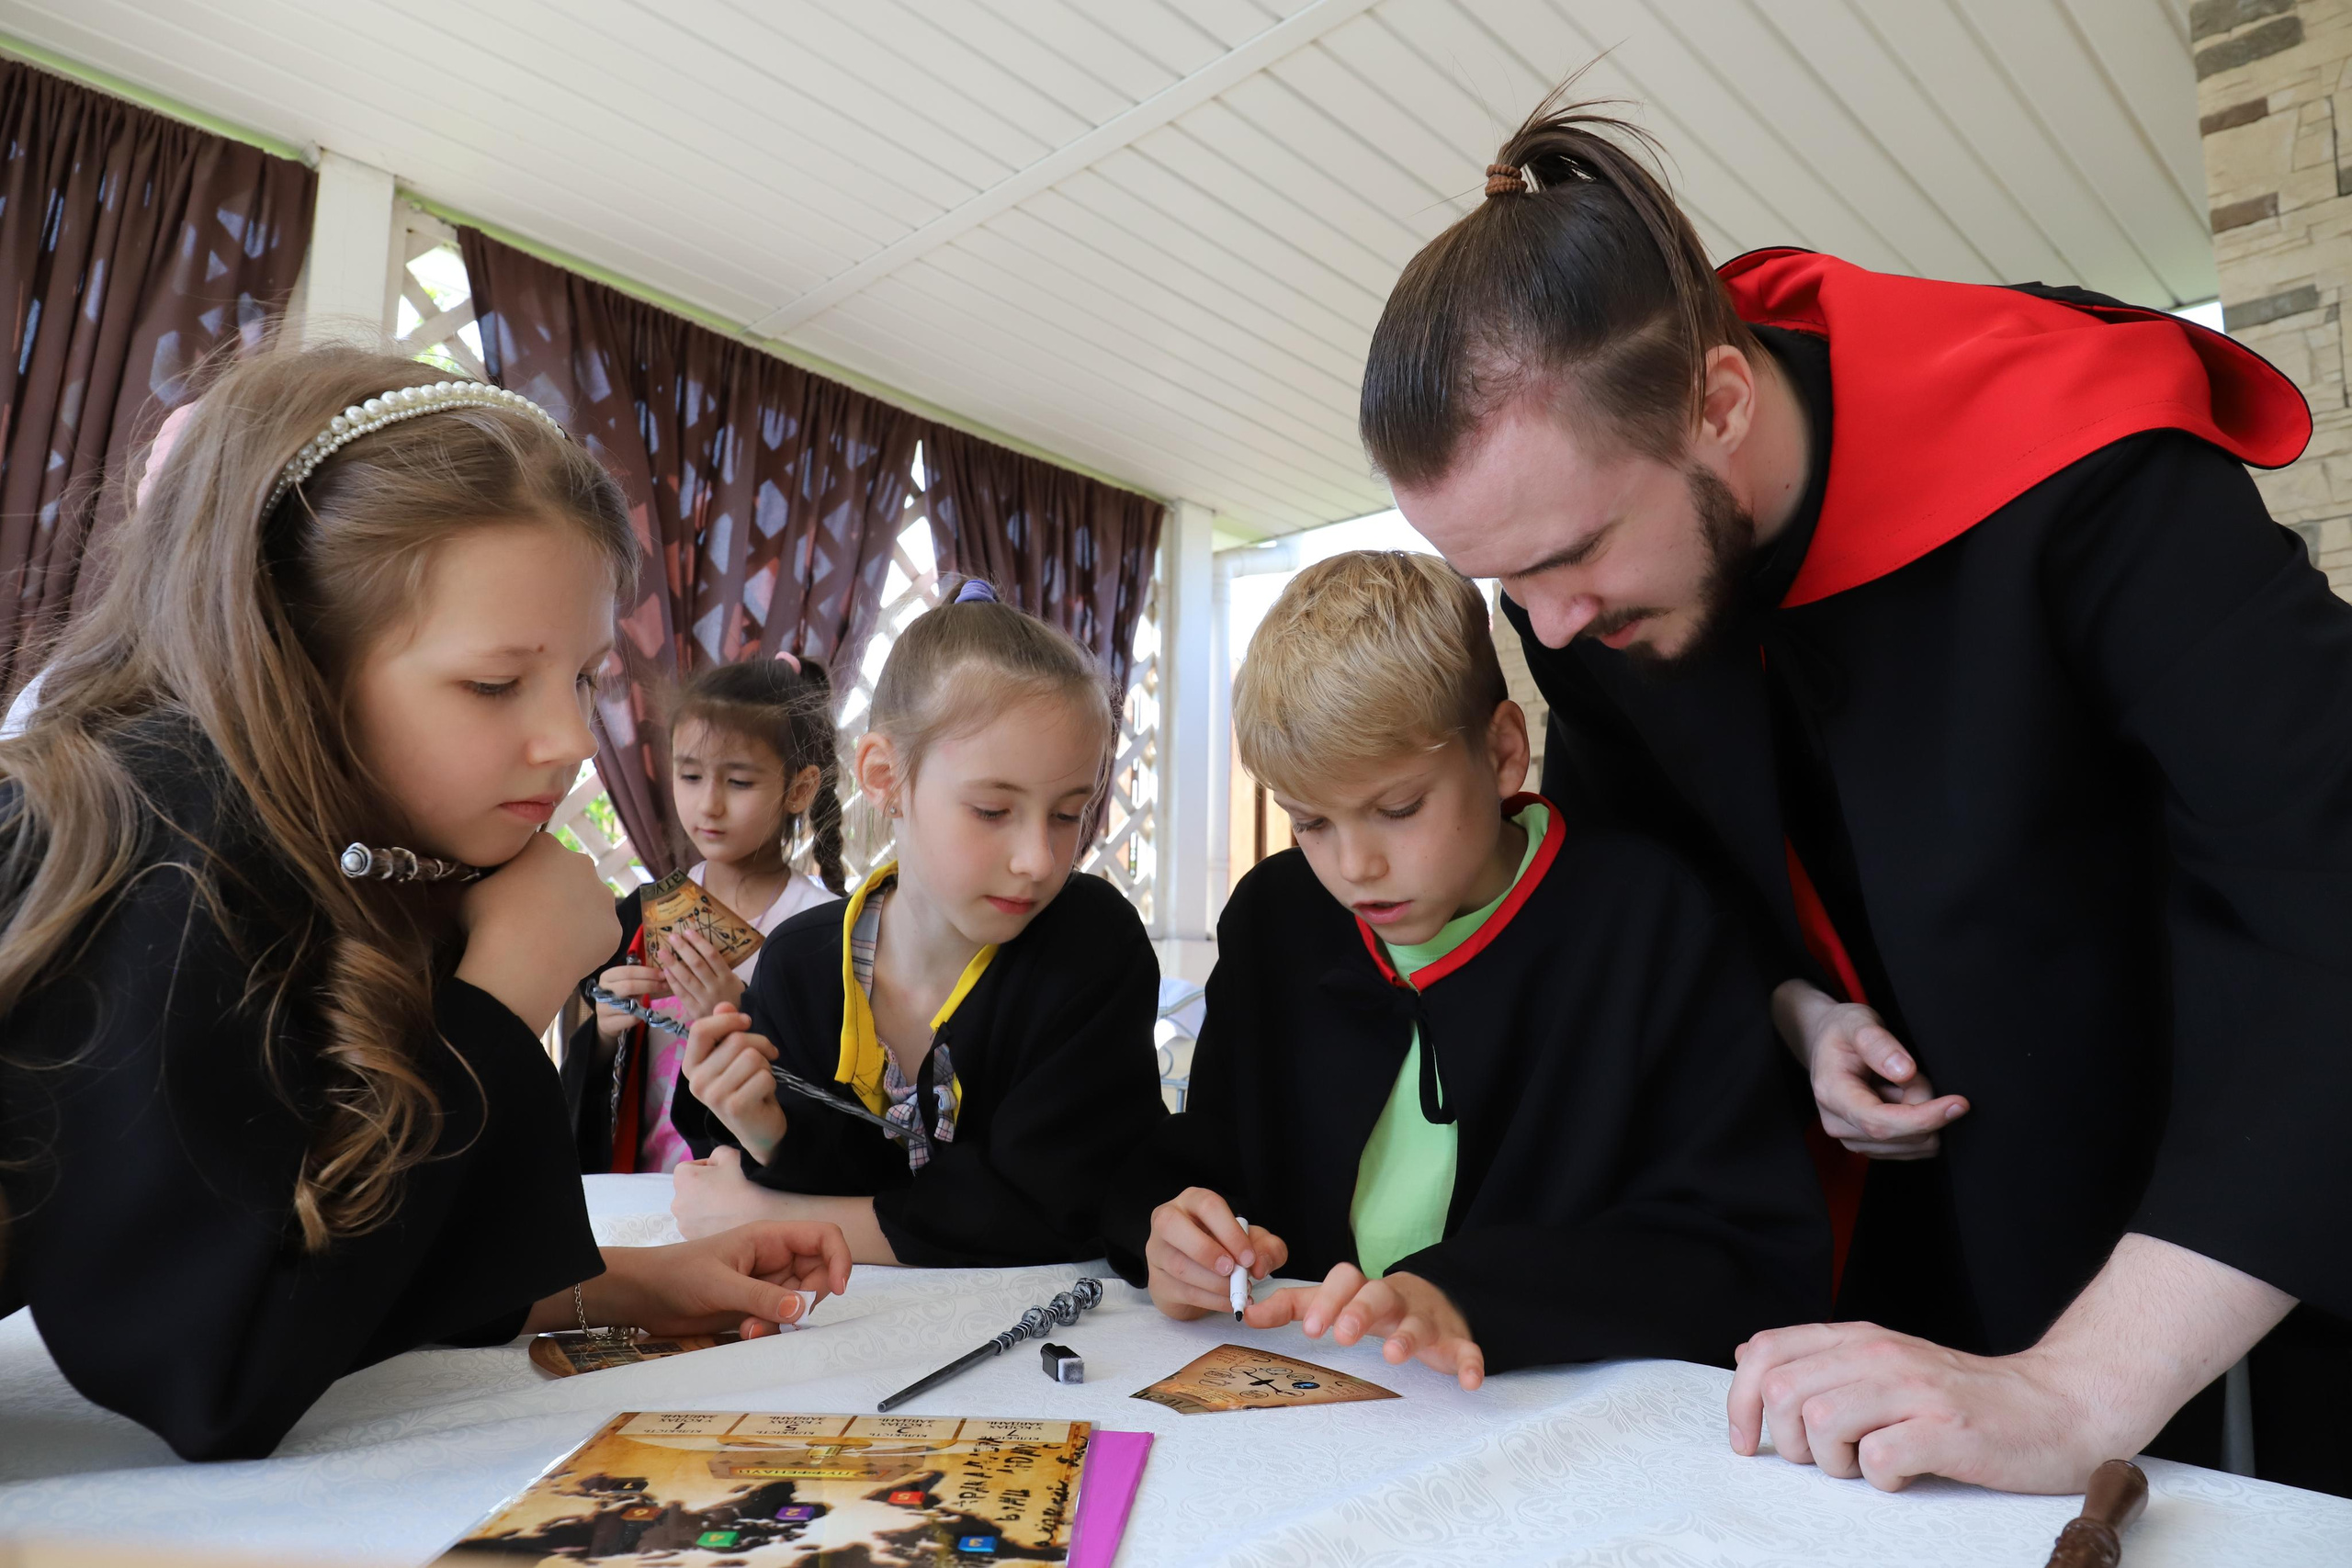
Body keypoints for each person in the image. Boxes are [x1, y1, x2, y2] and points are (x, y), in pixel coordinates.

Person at [1358, 86, 2352, 1496]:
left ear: (1718, 400)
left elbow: (2328, 900)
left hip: (2208, 1241)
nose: (1551, 627)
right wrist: (1795, 1006)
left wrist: (2081, 1385)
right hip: (1877, 1248)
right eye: (1504, 582)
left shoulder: (2085, 464)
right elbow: (1656, 878)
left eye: (1574, 553)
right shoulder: (1578, 598)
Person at [0, 345, 853, 1462]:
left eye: (583, 679)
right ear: (290, 654)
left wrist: (618, 1287)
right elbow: (217, 1375)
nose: (565, 745)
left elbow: (306, 1268)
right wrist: (503, 993)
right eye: (494, 684)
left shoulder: (339, 859)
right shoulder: (157, 836)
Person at [1112, 550, 1828, 1388]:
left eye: (1399, 808)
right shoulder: (1277, 917)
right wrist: (1171, 1238)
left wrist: (1464, 1296)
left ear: (1501, 752)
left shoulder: (1651, 921)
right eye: (1310, 822)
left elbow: (1739, 1255)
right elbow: (1199, 1160)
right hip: (1303, 1409)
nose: (1354, 868)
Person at [665, 579, 1166, 1266]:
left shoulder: (1091, 946)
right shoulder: (802, 964)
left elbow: (1055, 1208)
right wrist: (764, 1130)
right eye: (993, 810)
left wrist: (771, 1217)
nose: (1038, 858)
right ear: (884, 775)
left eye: (1068, 812)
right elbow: (816, 1174)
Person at [562, 655, 846, 1173]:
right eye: (690, 775)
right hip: (643, 1188)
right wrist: (605, 1034)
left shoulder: (827, 932)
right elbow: (590, 1087)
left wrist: (739, 1009)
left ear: (800, 789)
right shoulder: (640, 916)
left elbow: (838, 1094)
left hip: (749, 1195)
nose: (708, 805)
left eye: (738, 783)